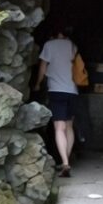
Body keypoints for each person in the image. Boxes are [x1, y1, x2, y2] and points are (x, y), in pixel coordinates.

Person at [34, 24, 79, 177]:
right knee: (69, 126)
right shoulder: (73, 46)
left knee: (59, 128)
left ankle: (65, 163)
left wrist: (38, 83)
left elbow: (43, 67)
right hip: (72, 91)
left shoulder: (49, 45)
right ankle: (65, 161)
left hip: (57, 91)